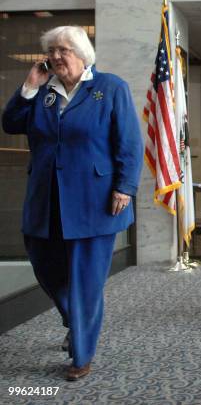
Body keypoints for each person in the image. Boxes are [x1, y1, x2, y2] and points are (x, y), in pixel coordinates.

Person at [2, 26, 143, 381]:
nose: (56, 56)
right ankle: (74, 320)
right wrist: (29, 87)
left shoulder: (110, 88)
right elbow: (10, 124)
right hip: (45, 198)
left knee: (85, 281)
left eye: (63, 49)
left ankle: (81, 354)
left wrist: (125, 187)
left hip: (95, 202)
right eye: (51, 50)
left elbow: (129, 142)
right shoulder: (43, 93)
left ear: (82, 53)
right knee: (44, 266)